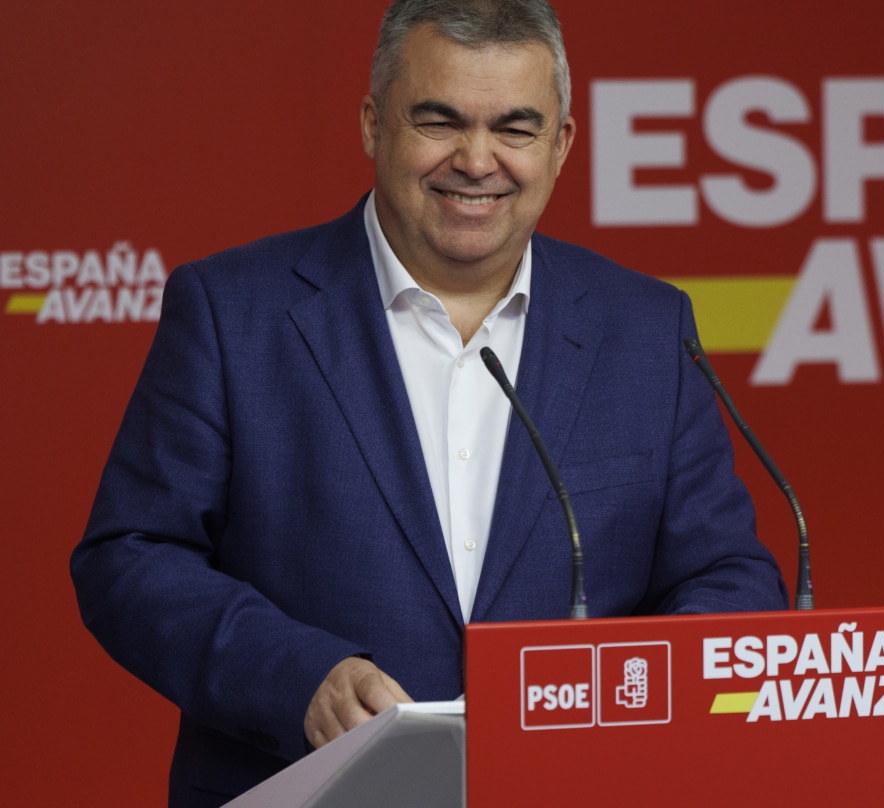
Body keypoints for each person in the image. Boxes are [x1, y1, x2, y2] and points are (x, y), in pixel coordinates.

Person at [70, 1, 788, 805]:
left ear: (562, 145)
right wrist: (299, 677)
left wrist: (637, 695)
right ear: (375, 124)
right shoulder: (232, 312)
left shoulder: (648, 329)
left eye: (515, 128)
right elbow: (129, 557)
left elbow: (728, 571)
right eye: (439, 120)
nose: (476, 160)